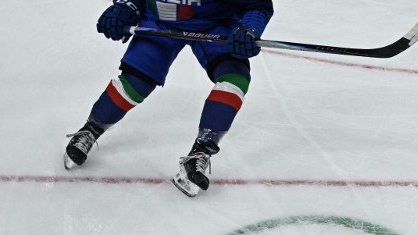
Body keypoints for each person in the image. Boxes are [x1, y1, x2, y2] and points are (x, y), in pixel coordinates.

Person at [64, 0, 274, 197]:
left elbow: (256, 4)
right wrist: (126, 6)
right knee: (136, 83)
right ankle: (91, 129)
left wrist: (250, 27)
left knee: (234, 78)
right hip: (159, 23)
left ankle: (200, 152)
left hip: (213, 24)